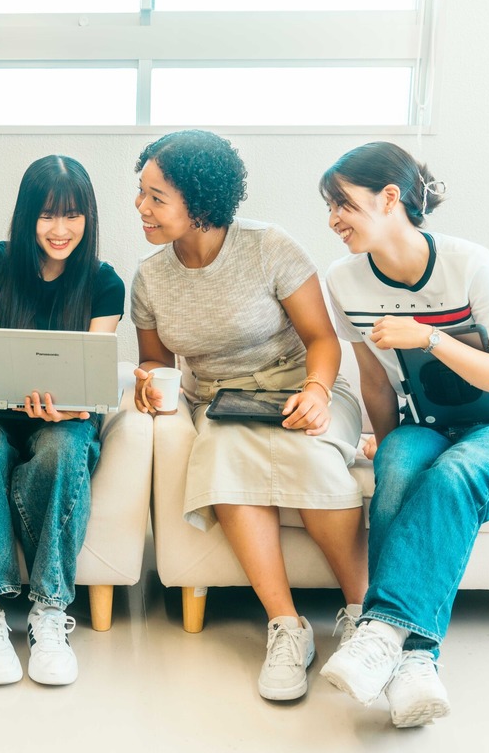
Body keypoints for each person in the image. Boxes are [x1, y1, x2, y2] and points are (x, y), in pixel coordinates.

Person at [318, 142, 489, 727]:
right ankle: (411, 664)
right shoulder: (344, 280)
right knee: (398, 467)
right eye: (328, 207)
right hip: (426, 424)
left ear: (389, 198)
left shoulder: (468, 262)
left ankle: (389, 639)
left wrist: (430, 337)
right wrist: (386, 441)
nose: (333, 220)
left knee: (453, 476)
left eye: (343, 203)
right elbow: (375, 380)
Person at [131, 129, 366, 702]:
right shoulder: (150, 277)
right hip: (222, 402)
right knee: (223, 461)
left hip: (301, 387)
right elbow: (154, 360)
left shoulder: (269, 246)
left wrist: (316, 392)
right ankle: (286, 626)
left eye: (156, 197)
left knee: (313, 457)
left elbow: (322, 339)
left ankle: (366, 616)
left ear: (200, 203)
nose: (141, 207)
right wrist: (147, 381)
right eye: (141, 192)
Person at [0, 155, 125, 687]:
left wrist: (72, 400)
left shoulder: (105, 281)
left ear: (88, 218)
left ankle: (49, 611)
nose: (60, 229)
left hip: (65, 405)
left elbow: (96, 355)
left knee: (64, 449)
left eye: (72, 215)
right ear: (26, 216)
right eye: (46, 215)